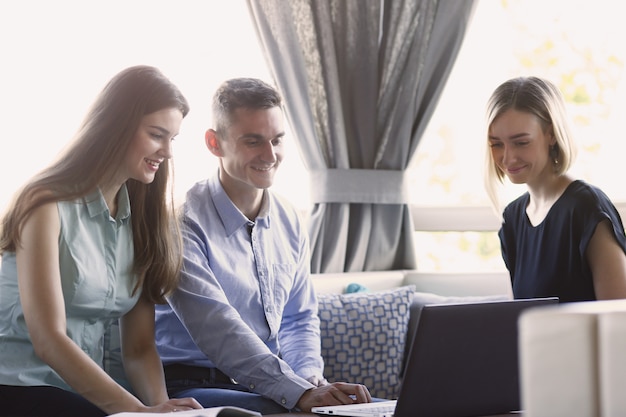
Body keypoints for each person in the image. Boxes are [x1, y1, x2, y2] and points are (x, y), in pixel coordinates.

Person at [154, 77, 372, 414]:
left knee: (385, 410)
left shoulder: (288, 219)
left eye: (277, 140)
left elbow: (298, 318)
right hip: (192, 386)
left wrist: (310, 380)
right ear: (215, 143)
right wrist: (296, 392)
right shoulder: (182, 223)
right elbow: (218, 328)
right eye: (253, 141)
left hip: (269, 385)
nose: (270, 155)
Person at [0, 65, 202, 416]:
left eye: (173, 139)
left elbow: (138, 349)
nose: (167, 151)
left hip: (81, 394)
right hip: (18, 384)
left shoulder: (142, 221)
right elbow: (48, 340)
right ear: (116, 127)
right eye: (157, 134)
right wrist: (136, 412)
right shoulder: (44, 204)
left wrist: (162, 409)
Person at [484, 75, 626, 302]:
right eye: (496, 144)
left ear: (551, 134)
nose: (508, 158)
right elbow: (518, 317)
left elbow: (618, 320)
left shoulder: (586, 207)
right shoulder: (512, 219)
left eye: (521, 142)